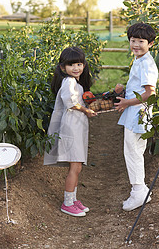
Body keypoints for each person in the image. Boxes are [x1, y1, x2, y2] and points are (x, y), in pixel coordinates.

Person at [44, 47, 97, 217]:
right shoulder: (69, 82)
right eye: (71, 65)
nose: (76, 68)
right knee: (74, 166)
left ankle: (73, 199)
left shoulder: (76, 82)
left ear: (84, 65)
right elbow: (71, 103)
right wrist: (86, 111)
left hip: (76, 128)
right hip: (71, 129)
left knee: (78, 166)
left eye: (79, 64)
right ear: (62, 67)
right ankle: (67, 203)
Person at [114, 22, 158, 211]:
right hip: (136, 112)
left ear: (151, 44)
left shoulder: (147, 63)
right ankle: (139, 190)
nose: (136, 45)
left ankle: (139, 192)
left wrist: (126, 103)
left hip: (139, 113)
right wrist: (124, 92)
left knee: (132, 151)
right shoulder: (140, 60)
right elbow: (140, 88)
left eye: (141, 41)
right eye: (133, 40)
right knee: (134, 150)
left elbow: (150, 93)